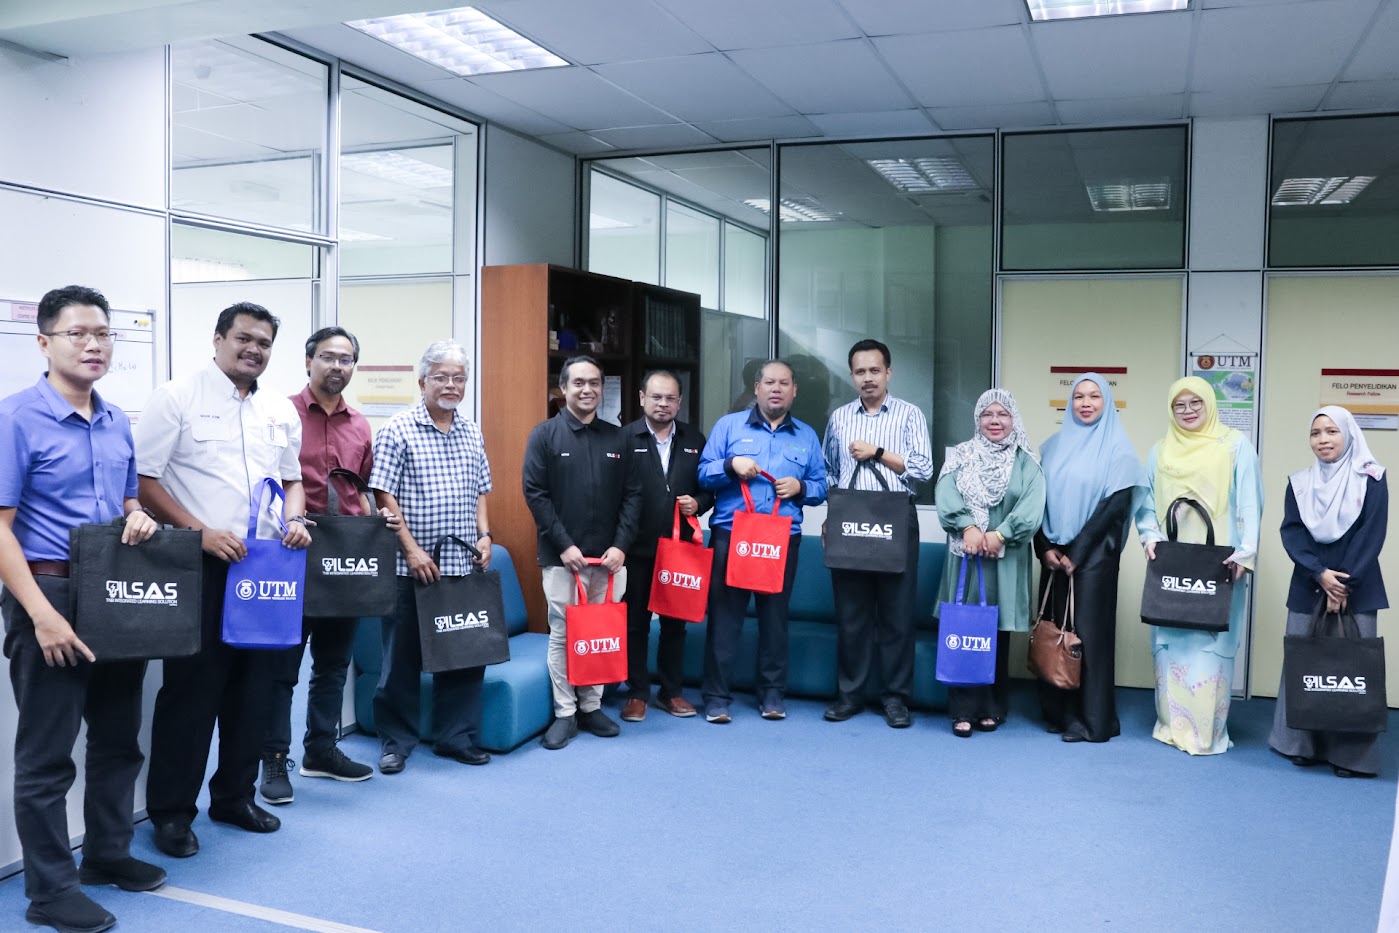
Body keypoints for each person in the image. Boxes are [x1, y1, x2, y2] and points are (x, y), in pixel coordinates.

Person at [0, 286, 166, 933]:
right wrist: (40, 613)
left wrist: (141, 520)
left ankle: (106, 853)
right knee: (46, 754)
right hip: (49, 594)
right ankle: (49, 889)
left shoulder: (118, 418)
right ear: (44, 342)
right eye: (78, 333)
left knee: (119, 738)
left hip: (113, 592)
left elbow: (129, 504)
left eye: (103, 332)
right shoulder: (16, 418)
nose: (94, 343)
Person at [137, 301, 311, 857]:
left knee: (255, 692)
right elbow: (144, 482)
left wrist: (295, 518)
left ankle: (233, 798)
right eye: (243, 338)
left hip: (264, 571)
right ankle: (170, 814)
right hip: (202, 567)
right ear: (217, 339)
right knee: (192, 695)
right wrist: (200, 532)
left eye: (263, 343)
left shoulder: (279, 410)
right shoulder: (177, 397)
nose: (253, 349)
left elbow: (291, 480)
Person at [259, 327, 400, 804]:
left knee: (333, 666)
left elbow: (359, 490)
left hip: (345, 560)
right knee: (281, 670)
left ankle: (321, 750)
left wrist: (376, 515)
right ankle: (274, 761)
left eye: (346, 359)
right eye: (328, 357)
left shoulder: (361, 424)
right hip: (292, 554)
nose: (337, 366)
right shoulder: (279, 415)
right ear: (307, 361)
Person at [368, 340, 494, 774]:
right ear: (422, 381)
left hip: (462, 565)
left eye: (459, 378)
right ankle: (395, 742)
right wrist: (412, 549)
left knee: (464, 653)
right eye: (441, 376)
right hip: (409, 567)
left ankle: (454, 738)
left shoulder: (472, 430)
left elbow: (482, 489)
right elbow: (382, 495)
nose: (451, 385)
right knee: (400, 662)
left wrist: (485, 535)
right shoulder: (397, 429)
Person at [1135, 376, 1262, 756]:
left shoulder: (1236, 447)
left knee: (1211, 643)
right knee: (1171, 643)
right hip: (1172, 563)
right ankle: (1171, 726)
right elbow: (1145, 503)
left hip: (1219, 564)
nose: (1188, 411)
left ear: (1209, 404)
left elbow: (1251, 503)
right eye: (1180, 405)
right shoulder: (1160, 451)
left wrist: (1246, 552)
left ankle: (1206, 733)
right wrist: (1149, 536)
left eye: (1196, 404)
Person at [698, 359, 828, 724]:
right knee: (725, 619)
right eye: (769, 382)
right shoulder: (729, 426)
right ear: (756, 388)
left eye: (784, 383)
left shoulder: (806, 435)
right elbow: (704, 473)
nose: (776, 389)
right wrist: (730, 465)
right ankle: (716, 697)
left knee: (775, 619)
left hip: (782, 538)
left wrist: (802, 488)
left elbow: (821, 486)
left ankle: (772, 695)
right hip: (731, 535)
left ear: (794, 391)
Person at [522, 355, 642, 749]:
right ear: (563, 388)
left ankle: (592, 706)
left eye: (594, 383)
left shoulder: (619, 437)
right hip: (563, 559)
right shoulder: (545, 435)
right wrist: (565, 545)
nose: (587, 389)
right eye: (578, 383)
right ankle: (565, 713)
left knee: (600, 633)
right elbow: (535, 495)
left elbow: (633, 496)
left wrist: (621, 546)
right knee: (564, 633)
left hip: (610, 560)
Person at [1268, 405, 1387, 777]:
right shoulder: (1299, 483)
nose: (1323, 440)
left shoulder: (1373, 478)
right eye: (1316, 433)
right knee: (1305, 665)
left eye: (1332, 432)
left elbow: (1372, 534)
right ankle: (1301, 744)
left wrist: (1342, 583)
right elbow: (1292, 532)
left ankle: (1350, 755)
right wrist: (1319, 574)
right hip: (1308, 583)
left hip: (1359, 586)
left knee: (1352, 672)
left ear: (1348, 434)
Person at [821, 339, 932, 729]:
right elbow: (830, 472)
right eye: (860, 371)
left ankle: (896, 699)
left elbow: (923, 469)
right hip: (850, 518)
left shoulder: (909, 414)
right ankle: (849, 696)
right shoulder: (838, 418)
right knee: (851, 615)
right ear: (851, 375)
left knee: (897, 616)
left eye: (874, 370)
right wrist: (830, 519)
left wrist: (878, 451)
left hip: (895, 517)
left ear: (888, 372)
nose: (867, 378)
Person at [1034, 373, 1141, 743]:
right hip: (1053, 557)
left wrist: (1078, 554)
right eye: (1078, 396)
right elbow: (1034, 500)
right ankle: (1059, 712)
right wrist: (1044, 547)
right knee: (1053, 632)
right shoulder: (1051, 446)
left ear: (1107, 402)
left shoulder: (1119, 451)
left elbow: (1114, 508)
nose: (1085, 402)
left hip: (1094, 558)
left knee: (1086, 637)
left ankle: (1092, 720)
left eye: (1095, 396)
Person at [934, 389, 1045, 738]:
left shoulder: (1027, 460)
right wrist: (967, 525)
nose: (995, 421)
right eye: (987, 414)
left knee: (993, 629)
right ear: (977, 419)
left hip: (1006, 556)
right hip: (966, 555)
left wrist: (1001, 534)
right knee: (964, 629)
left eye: (1003, 414)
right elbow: (946, 492)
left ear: (1014, 420)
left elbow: (1032, 503)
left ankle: (992, 706)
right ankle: (962, 709)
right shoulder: (962, 456)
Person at [619, 370, 713, 721]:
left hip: (679, 549)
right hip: (637, 549)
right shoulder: (625, 438)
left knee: (675, 623)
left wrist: (699, 504)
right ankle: (638, 693)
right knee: (636, 622)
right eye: (656, 397)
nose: (663, 404)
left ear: (679, 402)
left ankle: (671, 692)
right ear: (642, 398)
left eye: (670, 398)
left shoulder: (694, 439)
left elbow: (710, 489)